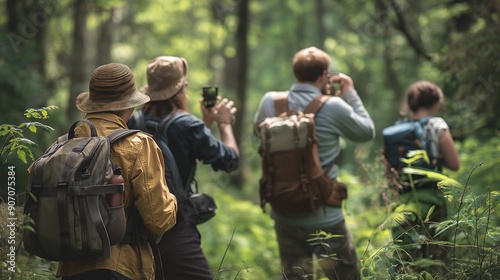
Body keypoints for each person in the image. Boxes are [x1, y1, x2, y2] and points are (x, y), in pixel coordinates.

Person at [253, 46, 375, 280]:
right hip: (325, 216)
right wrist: (349, 93)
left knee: (296, 276)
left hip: (284, 213)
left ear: (296, 72)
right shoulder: (333, 106)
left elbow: (258, 135)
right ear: (323, 75)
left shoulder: (270, 101)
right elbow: (366, 132)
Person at [57, 63, 177, 280]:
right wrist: (174, 202)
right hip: (121, 268)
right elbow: (158, 220)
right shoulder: (139, 144)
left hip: (71, 268)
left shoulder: (66, 142)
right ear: (128, 106)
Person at [127, 56, 239, 279]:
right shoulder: (187, 124)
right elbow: (230, 161)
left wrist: (204, 125)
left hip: (133, 229)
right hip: (174, 228)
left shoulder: (132, 122)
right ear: (181, 89)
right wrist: (224, 124)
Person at [388, 80, 460, 262]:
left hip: (403, 200)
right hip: (432, 198)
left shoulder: (397, 129)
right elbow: (454, 164)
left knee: (406, 256)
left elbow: (390, 171)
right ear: (436, 103)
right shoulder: (437, 125)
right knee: (436, 255)